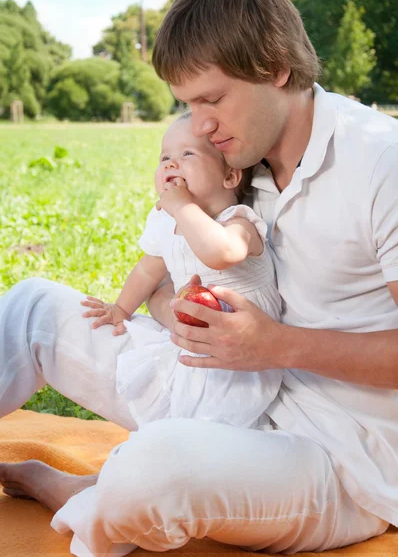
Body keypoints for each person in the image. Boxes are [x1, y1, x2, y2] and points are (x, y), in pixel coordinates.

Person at [0, 0, 397, 557]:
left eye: (212, 99)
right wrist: (177, 309)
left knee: (152, 469)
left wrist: (277, 345)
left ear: (275, 67)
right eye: (188, 104)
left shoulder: (379, 161)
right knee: (33, 305)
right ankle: (104, 487)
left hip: (339, 457)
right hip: (212, 388)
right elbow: (168, 282)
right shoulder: (236, 158)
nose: (200, 125)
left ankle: (85, 490)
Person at [80, 111, 282, 429]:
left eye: (187, 154)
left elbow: (221, 253)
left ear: (230, 177)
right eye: (165, 157)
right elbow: (148, 270)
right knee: (184, 402)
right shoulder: (167, 223)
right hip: (196, 345)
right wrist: (120, 308)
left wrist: (181, 206)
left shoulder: (239, 222)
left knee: (224, 421)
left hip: (242, 357)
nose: (171, 165)